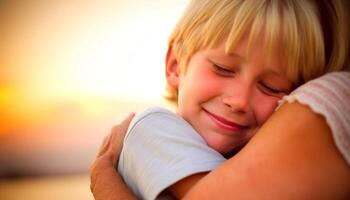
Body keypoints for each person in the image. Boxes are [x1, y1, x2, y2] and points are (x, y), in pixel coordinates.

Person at [91, 0, 350, 199]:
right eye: (223, 68)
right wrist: (103, 175)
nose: (239, 100)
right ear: (175, 66)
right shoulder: (154, 129)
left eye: (271, 86)